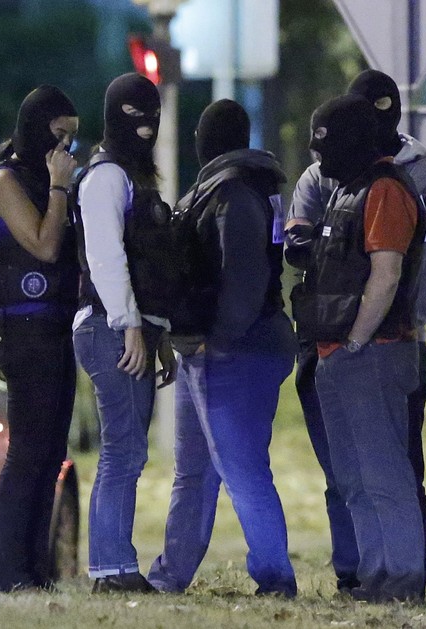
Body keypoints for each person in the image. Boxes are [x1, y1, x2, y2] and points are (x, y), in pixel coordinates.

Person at [285, 69, 426, 595]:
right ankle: (374, 575)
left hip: (374, 351)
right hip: (340, 351)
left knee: (385, 477)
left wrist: (354, 340)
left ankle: (399, 577)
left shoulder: (384, 190)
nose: (318, 159)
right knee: (355, 480)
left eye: (326, 146)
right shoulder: (348, 189)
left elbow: (387, 272)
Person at [147, 100, 298, 598]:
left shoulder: (232, 194)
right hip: (215, 348)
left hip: (234, 349)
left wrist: (220, 341)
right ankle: (170, 575)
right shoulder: (237, 188)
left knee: (241, 468)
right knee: (194, 469)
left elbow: (244, 279)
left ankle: (276, 579)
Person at [71, 72, 178, 594]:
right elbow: (106, 258)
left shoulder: (134, 177)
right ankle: (110, 569)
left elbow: (147, 261)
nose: (147, 126)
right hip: (108, 325)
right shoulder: (107, 177)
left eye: (152, 114)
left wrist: (155, 332)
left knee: (130, 450)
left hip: (131, 327)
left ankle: (115, 564)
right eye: (136, 115)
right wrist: (130, 324)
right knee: (121, 449)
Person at [0, 85, 79, 592]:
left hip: (55, 326)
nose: (65, 151)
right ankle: (10, 573)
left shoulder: (40, 178)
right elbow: (43, 244)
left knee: (52, 453)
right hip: (24, 329)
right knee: (29, 451)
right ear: (36, 129)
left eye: (71, 140)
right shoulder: (6, 182)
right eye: (58, 136)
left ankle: (34, 570)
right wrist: (60, 188)